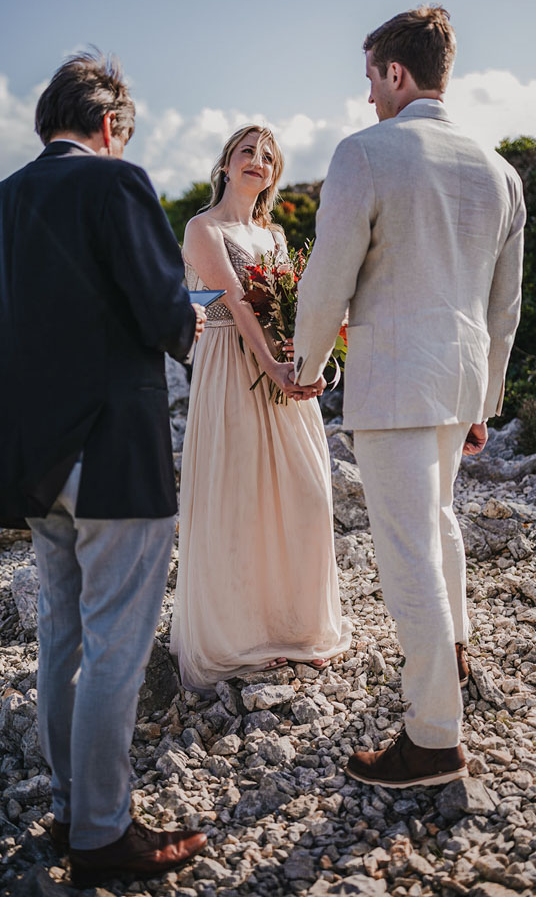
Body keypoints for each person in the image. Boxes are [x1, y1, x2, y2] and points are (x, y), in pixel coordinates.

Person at [0, 52, 208, 886]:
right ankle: (103, 836)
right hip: (110, 453)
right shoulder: (116, 183)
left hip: (29, 461)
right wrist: (201, 325)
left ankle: (73, 810)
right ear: (111, 126)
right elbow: (160, 309)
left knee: (62, 638)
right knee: (115, 650)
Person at [293, 6, 525, 788]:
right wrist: (484, 402)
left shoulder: (366, 153)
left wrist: (306, 363)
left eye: (370, 78)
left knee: (408, 554)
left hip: (393, 378)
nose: (366, 97)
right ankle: (453, 655)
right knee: (439, 524)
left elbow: (328, 277)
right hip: (458, 379)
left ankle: (431, 737)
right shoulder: (500, 171)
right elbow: (506, 308)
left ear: (396, 73)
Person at [170, 124, 352, 693]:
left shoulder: (273, 237)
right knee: (239, 494)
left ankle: (295, 627)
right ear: (226, 163)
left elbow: (295, 314)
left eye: (267, 156)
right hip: (231, 368)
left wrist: (313, 360)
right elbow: (237, 308)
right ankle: (241, 638)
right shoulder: (203, 228)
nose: (258, 161)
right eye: (247, 151)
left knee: (304, 489)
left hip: (280, 371)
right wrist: (272, 366)